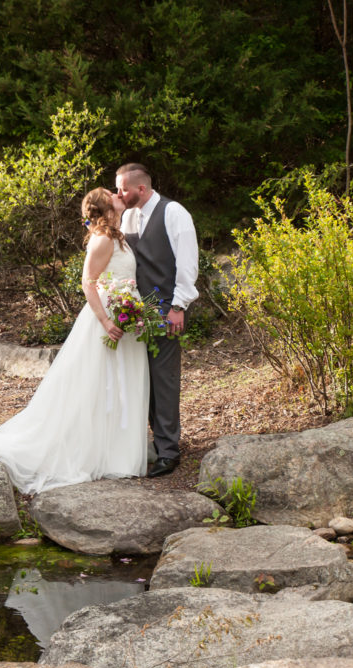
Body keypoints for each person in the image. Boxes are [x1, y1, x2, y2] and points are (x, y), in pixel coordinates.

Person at [0, 188, 150, 494]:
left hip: (128, 320)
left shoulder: (118, 236)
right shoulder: (101, 240)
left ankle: (118, 452)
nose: (116, 193)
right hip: (107, 321)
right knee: (100, 385)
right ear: (103, 206)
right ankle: (93, 451)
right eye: (111, 193)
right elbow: (88, 282)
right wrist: (107, 320)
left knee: (122, 383)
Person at [115, 163, 198, 478]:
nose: (118, 194)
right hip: (134, 313)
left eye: (123, 189)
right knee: (141, 380)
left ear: (141, 189)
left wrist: (178, 306)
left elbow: (187, 263)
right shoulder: (128, 216)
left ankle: (168, 451)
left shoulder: (174, 213)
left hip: (166, 310)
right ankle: (150, 441)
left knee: (164, 381)